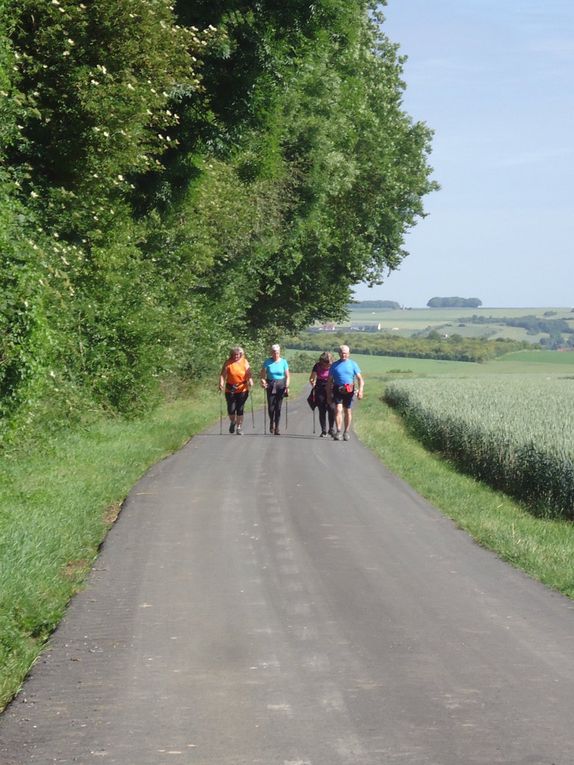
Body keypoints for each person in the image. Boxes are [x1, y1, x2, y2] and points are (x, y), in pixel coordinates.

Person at [327, 344, 364, 441]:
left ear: (349, 354)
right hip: (337, 389)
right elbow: (329, 381)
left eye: (346, 354)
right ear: (339, 353)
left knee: (347, 411)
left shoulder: (353, 364)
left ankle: (346, 432)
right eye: (342, 353)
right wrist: (328, 395)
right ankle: (338, 431)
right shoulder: (334, 365)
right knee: (338, 410)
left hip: (349, 389)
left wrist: (360, 390)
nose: (344, 355)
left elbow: (360, 379)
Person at [219, 346, 253, 435]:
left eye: (238, 355)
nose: (236, 356)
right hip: (230, 389)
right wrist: (221, 384)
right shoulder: (228, 363)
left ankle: (239, 427)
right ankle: (233, 422)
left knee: (240, 408)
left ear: (240, 354)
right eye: (234, 355)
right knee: (231, 409)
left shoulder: (244, 362)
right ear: (231, 355)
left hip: (243, 389)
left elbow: (249, 373)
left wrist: (250, 381)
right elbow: (222, 375)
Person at [260, 343, 290, 435]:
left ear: (279, 352)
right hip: (270, 384)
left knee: (278, 407)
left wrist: (287, 386)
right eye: (273, 352)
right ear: (271, 352)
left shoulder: (284, 362)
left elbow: (287, 376)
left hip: (281, 385)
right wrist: (264, 382)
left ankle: (277, 427)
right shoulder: (267, 362)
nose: (275, 354)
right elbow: (262, 376)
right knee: (271, 407)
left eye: (277, 352)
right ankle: (271, 422)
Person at [309, 351, 336, 437]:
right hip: (320, 387)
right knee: (322, 409)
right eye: (325, 362)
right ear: (322, 361)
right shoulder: (317, 366)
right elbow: (312, 378)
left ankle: (331, 429)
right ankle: (324, 430)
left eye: (328, 363)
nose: (327, 365)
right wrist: (313, 383)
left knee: (331, 408)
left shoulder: (333, 366)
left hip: (331, 387)